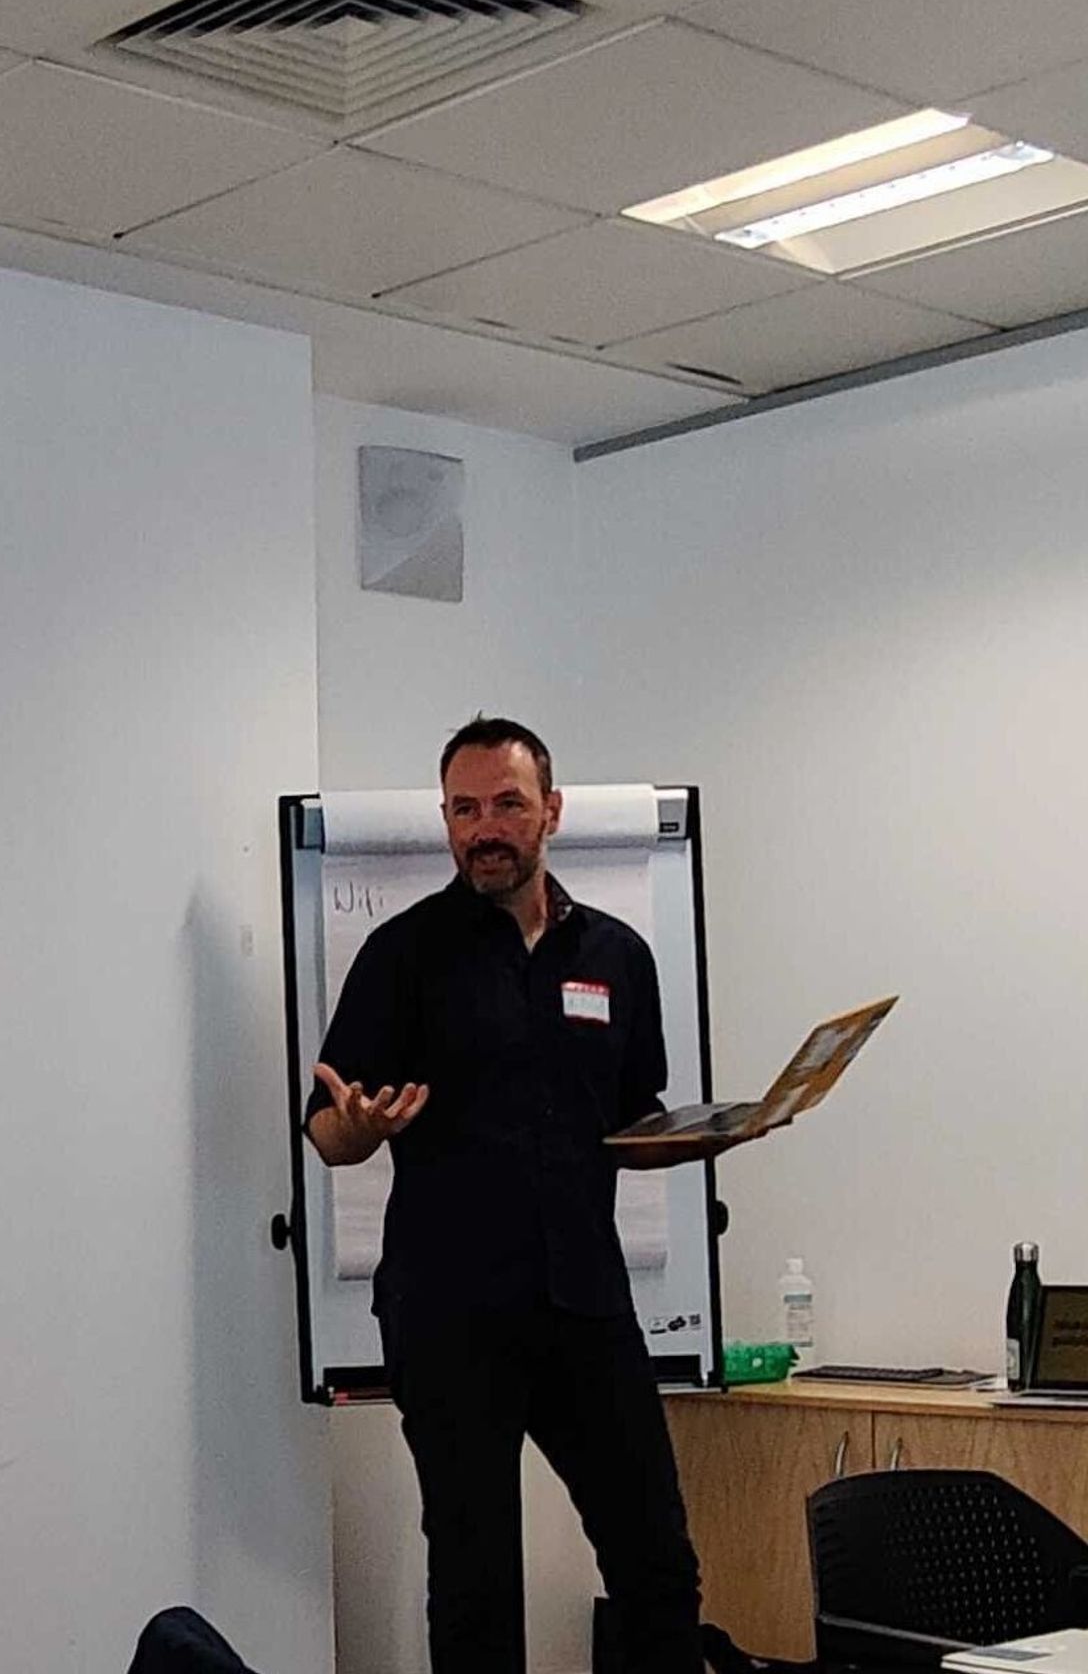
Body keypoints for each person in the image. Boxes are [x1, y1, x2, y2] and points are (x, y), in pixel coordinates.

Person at [310, 716, 709, 1674]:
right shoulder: (403, 955)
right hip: (451, 1313)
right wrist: (357, 1131)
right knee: (478, 1583)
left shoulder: (617, 957)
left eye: (506, 805)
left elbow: (630, 1120)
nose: (483, 828)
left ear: (551, 813)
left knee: (658, 1565)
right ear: (447, 820)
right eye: (464, 808)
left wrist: (719, 1132)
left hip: (586, 1303)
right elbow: (326, 1129)